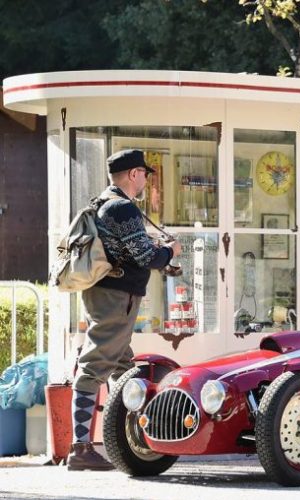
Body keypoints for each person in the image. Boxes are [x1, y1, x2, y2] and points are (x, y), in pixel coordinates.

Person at [68, 149, 182, 471]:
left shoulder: (102, 203)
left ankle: (132, 438)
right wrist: (169, 250)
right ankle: (80, 448)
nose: (146, 179)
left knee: (123, 367)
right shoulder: (122, 208)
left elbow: (130, 251)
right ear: (133, 174)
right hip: (117, 299)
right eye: (144, 173)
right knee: (95, 366)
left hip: (103, 295)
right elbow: (146, 258)